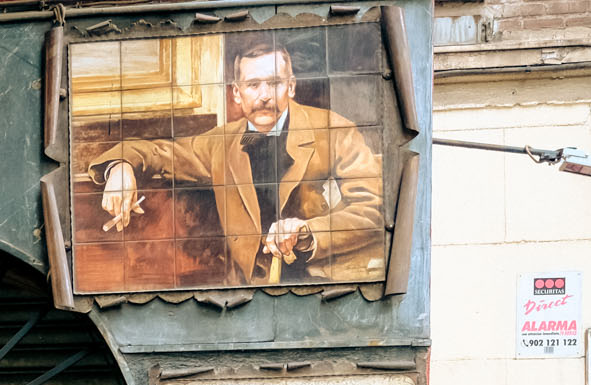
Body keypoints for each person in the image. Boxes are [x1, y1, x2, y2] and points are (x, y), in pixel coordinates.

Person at [90, 41, 385, 286]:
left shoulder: (336, 130)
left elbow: (373, 209)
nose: (265, 95)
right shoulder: (222, 144)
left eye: (274, 83)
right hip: (247, 296)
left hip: (322, 290)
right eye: (253, 85)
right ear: (236, 92)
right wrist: (120, 167)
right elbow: (156, 152)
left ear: (291, 87)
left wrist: (309, 232)